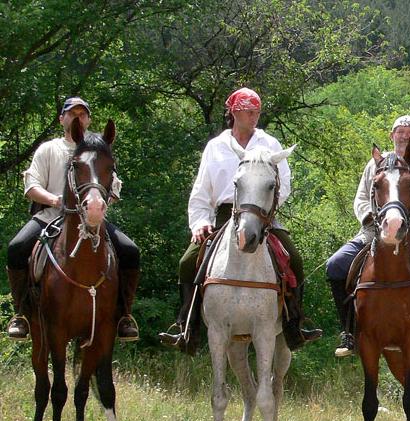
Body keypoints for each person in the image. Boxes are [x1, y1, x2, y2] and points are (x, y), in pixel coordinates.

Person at [157, 87, 321, 353]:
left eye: (257, 111)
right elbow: (202, 190)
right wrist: (199, 223)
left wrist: (264, 210)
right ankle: (186, 326)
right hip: (222, 216)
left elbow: (285, 183)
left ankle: (295, 325)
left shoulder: (269, 144)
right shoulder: (215, 147)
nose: (254, 117)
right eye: (248, 111)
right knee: (187, 263)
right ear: (234, 112)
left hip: (262, 215)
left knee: (294, 259)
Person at [326, 115, 410, 356]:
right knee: (335, 265)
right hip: (374, 234)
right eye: (399, 131)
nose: (404, 136)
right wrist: (373, 218)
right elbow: (360, 199)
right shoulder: (375, 165)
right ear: (391, 136)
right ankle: (348, 330)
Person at [6, 97, 141, 341]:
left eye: (82, 114)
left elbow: (114, 188)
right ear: (61, 119)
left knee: (130, 251)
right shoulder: (49, 149)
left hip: (91, 220)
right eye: (72, 113)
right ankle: (21, 314)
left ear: (88, 119)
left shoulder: (97, 149)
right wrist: (56, 200)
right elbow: (31, 186)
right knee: (16, 248)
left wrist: (96, 206)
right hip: (49, 216)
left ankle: (123, 316)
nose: (77, 117)